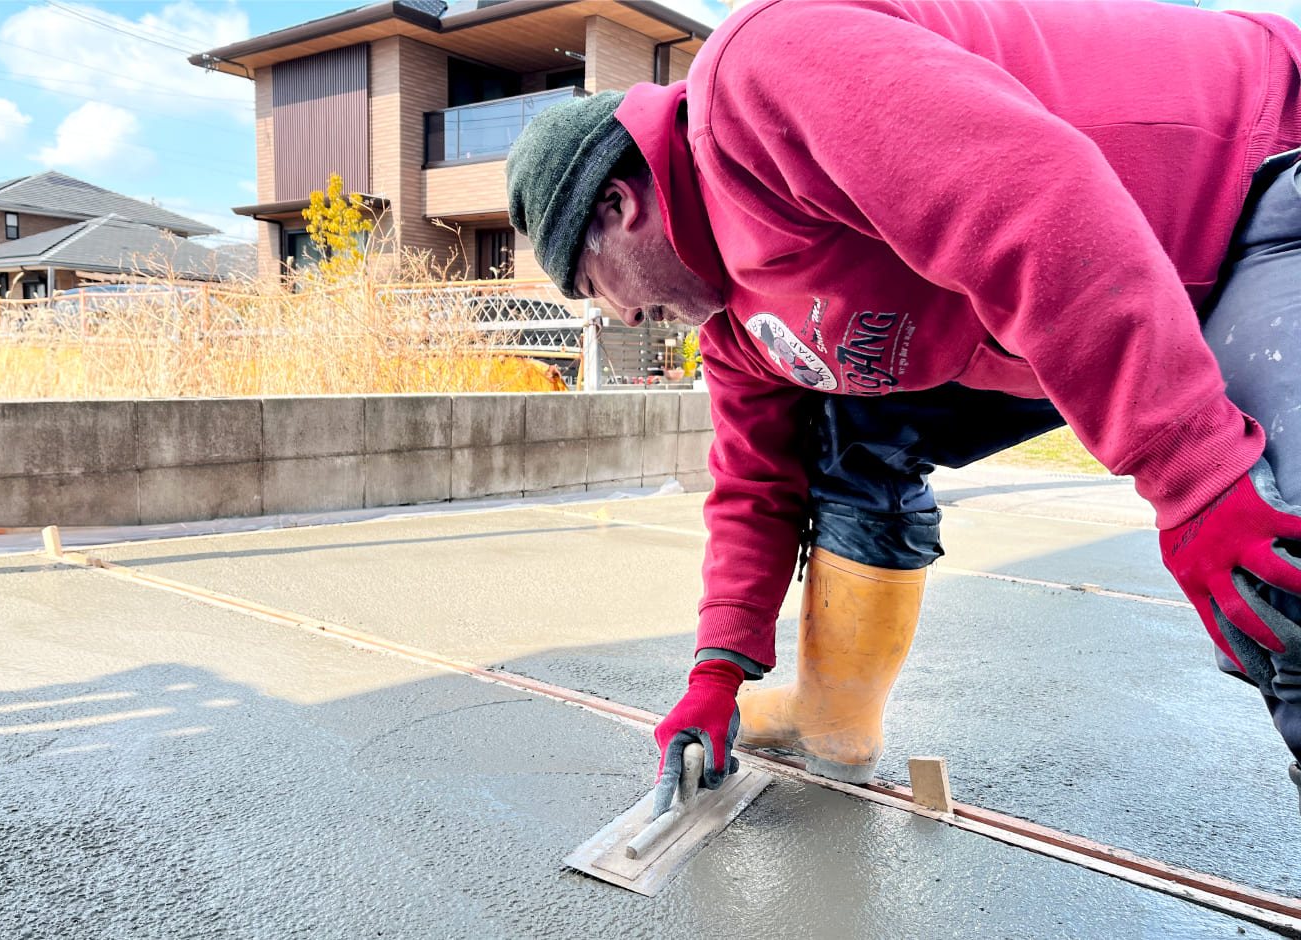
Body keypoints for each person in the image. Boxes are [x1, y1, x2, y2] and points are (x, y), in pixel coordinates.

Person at [506, 0, 1301, 815]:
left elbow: (1031, 197)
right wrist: (715, 672)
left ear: (617, 206)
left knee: (1272, 553)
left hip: (1249, 183)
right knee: (842, 422)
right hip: (1076, 311)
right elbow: (755, 489)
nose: (624, 320)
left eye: (596, 291)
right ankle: (833, 715)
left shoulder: (759, 78)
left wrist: (1191, 474)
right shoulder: (738, 332)